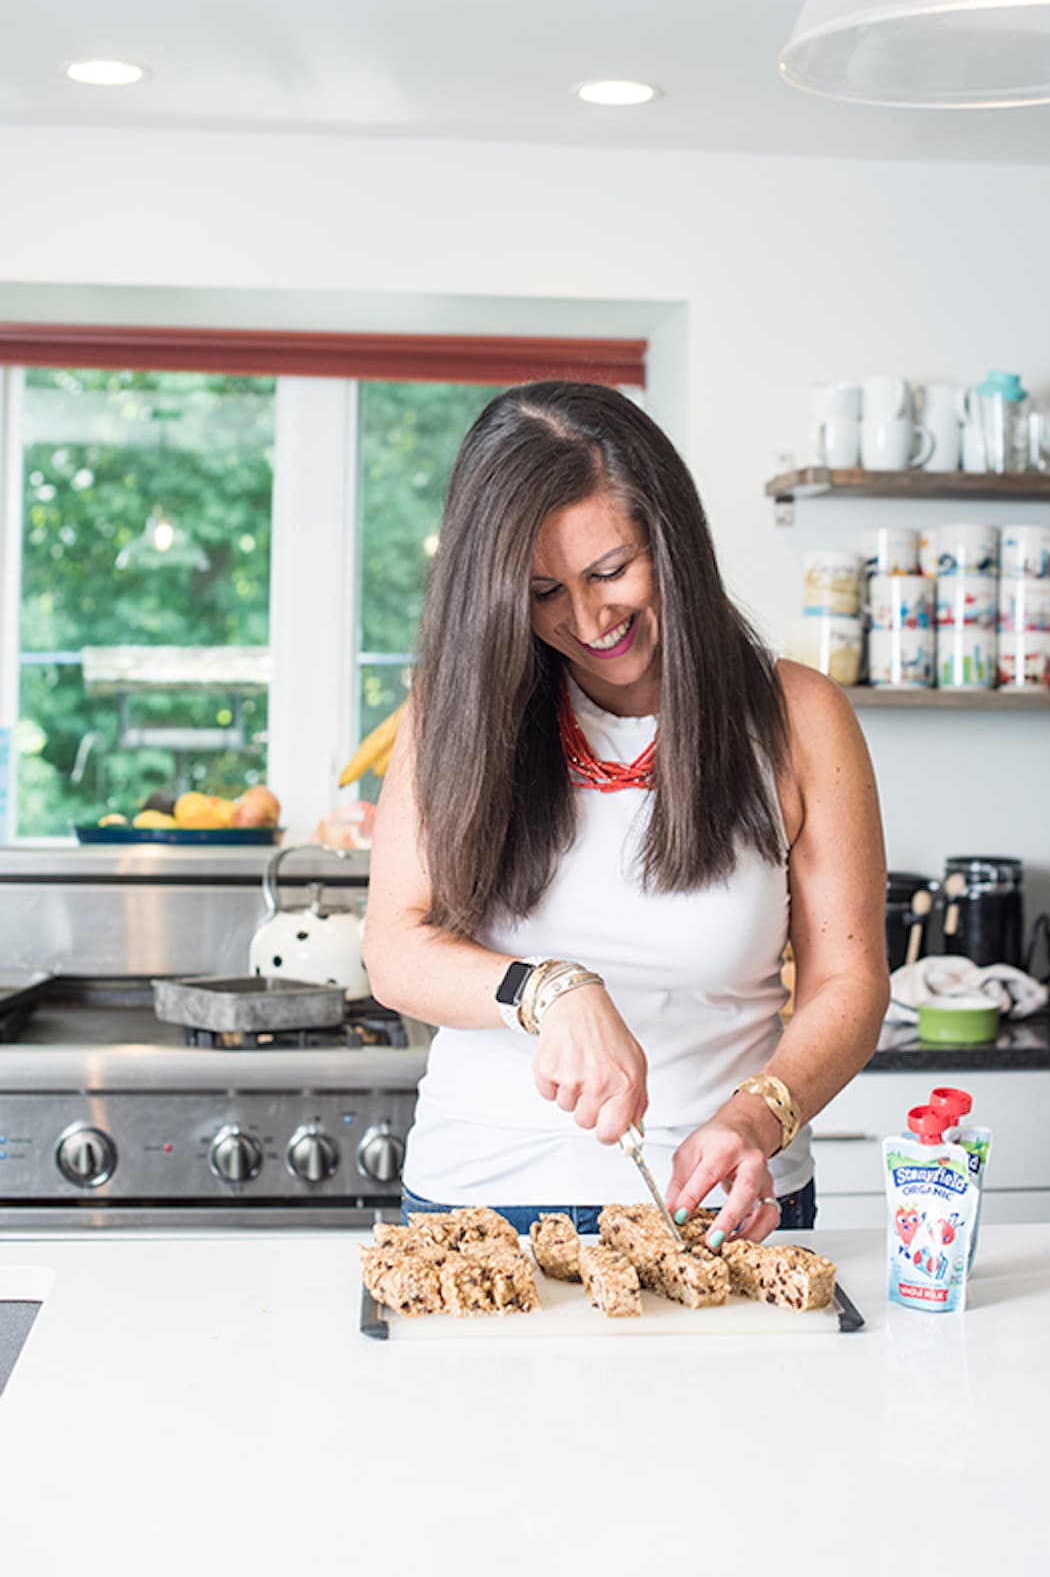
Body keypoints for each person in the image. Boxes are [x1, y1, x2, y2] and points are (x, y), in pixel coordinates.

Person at [363, 380, 889, 1249]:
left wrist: (756, 1118)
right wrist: (547, 989)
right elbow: (393, 950)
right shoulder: (452, 714)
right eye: (542, 592)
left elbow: (850, 982)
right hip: (478, 1206)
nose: (588, 618)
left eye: (610, 571)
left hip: (721, 1206)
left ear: (671, 538)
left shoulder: (798, 717)